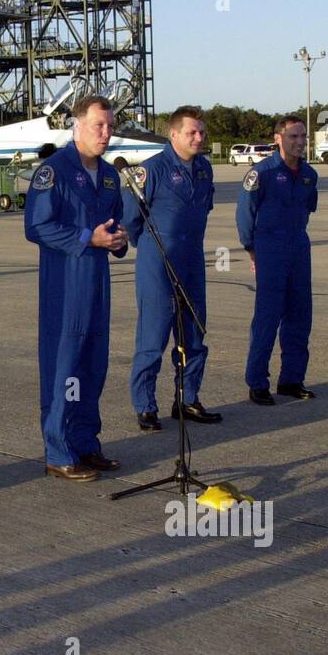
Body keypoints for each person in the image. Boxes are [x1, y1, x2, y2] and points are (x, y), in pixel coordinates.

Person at [24, 96, 129, 482]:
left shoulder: (108, 175)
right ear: (77, 126)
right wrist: (88, 238)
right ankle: (59, 450)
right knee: (63, 369)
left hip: (97, 284)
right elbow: (36, 226)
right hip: (65, 286)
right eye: (99, 126)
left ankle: (87, 443)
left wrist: (118, 240)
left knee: (92, 366)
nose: (106, 133)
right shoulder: (54, 171)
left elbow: (113, 223)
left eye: (110, 126)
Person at [123, 105, 223, 431]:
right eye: (192, 132)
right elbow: (130, 219)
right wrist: (151, 249)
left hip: (192, 260)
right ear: (174, 134)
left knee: (193, 333)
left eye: (202, 132)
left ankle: (187, 399)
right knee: (153, 336)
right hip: (158, 260)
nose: (199, 137)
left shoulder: (205, 169)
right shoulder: (151, 170)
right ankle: (146, 406)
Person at [236, 114, 319, 405]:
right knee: (268, 317)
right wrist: (251, 248)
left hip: (298, 245)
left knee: (299, 315)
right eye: (293, 136)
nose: (299, 142)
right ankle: (257, 382)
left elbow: (309, 207)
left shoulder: (310, 175)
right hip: (270, 247)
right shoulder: (262, 173)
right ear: (277, 139)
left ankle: (292, 379)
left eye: (302, 137)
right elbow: (245, 215)